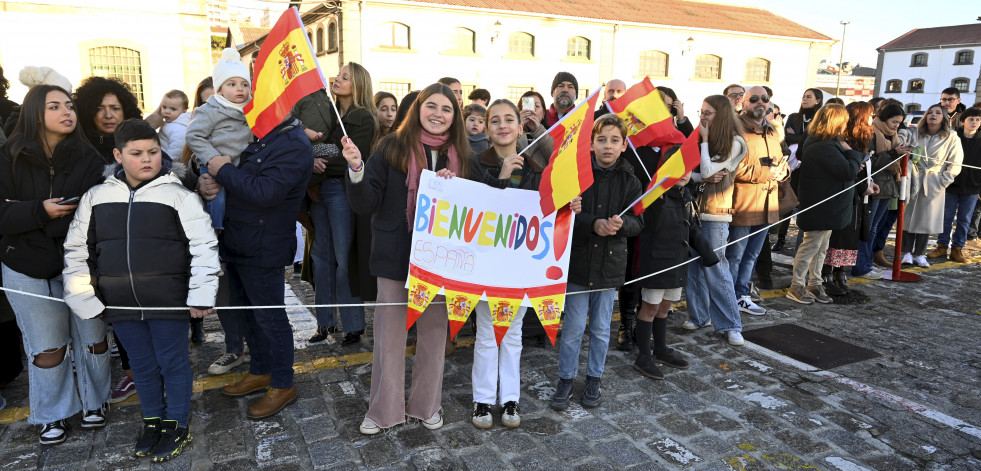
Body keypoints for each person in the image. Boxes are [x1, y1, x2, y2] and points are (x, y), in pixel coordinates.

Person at [63, 119, 219, 461]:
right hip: (121, 304)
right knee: (143, 366)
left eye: (153, 152)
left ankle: (177, 422)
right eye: (136, 153)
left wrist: (202, 294)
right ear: (118, 155)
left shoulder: (179, 195)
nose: (147, 159)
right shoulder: (96, 197)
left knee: (173, 362)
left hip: (168, 301)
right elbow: (78, 250)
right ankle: (152, 420)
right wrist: (84, 297)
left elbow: (204, 246)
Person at [342, 83, 474, 435]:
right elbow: (365, 202)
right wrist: (356, 168)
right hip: (395, 254)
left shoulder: (461, 155)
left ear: (454, 116)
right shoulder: (390, 147)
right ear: (418, 109)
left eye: (446, 109)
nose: (438, 114)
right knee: (389, 335)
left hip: (440, 261)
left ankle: (427, 404)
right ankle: (383, 410)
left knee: (433, 334)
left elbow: (480, 200)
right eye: (431, 106)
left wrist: (457, 184)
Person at [0, 84, 110, 444]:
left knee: (92, 337)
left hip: (78, 262)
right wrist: (39, 210)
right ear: (35, 113)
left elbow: (92, 214)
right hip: (24, 265)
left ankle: (96, 401)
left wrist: (24, 211)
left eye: (69, 105)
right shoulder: (8, 156)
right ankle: (54, 413)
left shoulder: (89, 158)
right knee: (48, 346)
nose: (67, 112)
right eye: (54, 106)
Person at [202, 109, 312, 419]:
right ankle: (261, 370)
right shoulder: (260, 133)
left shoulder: (292, 142)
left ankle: (282, 383)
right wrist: (209, 181)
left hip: (265, 245)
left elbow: (264, 192)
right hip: (239, 239)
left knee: (270, 318)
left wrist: (223, 171)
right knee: (246, 314)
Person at [549, 114, 643, 411]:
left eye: (615, 140)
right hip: (578, 264)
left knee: (602, 328)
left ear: (624, 145)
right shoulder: (577, 177)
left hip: (609, 267)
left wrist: (621, 225)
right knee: (574, 327)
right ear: (591, 144)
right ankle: (565, 378)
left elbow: (638, 222)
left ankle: (594, 377)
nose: (608, 146)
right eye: (601, 140)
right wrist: (588, 220)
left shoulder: (631, 181)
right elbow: (561, 217)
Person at [469, 99, 545, 429]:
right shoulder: (476, 165)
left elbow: (544, 212)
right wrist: (500, 177)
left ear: (519, 125)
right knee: (486, 334)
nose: (502, 125)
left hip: (520, 266)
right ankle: (482, 400)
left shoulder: (534, 168)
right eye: (495, 120)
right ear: (486, 128)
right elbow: (475, 208)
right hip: (486, 264)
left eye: (509, 119)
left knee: (513, 335)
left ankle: (511, 398)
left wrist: (567, 205)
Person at [303, 62, 377, 346]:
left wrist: (315, 158)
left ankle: (353, 325)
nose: (338, 78)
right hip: (319, 191)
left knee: (344, 258)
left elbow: (346, 158)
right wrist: (313, 165)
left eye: (345, 77)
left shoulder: (362, 118)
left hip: (342, 191)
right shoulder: (328, 112)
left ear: (357, 84)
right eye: (339, 74)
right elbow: (322, 150)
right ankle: (324, 323)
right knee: (321, 258)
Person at [633, 165, 718, 379]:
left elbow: (692, 229)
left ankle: (660, 349)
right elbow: (651, 224)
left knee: (665, 307)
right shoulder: (655, 194)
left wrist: (710, 255)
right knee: (650, 307)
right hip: (656, 262)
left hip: (677, 262)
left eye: (688, 169)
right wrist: (658, 196)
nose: (684, 174)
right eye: (679, 168)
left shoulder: (686, 196)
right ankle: (644, 356)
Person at [683, 95, 748, 346]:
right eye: (701, 112)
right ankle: (699, 317)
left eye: (708, 112)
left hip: (716, 213)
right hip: (695, 211)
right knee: (693, 266)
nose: (703, 117)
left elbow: (709, 171)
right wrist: (700, 175)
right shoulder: (704, 140)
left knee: (715, 267)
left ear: (721, 114)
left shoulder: (737, 141)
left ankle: (731, 324)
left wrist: (706, 141)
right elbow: (696, 176)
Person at [786, 104, 866, 304]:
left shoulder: (827, 143)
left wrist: (851, 160)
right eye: (844, 121)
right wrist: (853, 155)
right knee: (810, 246)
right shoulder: (824, 145)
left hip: (829, 205)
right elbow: (847, 171)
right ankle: (796, 285)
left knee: (822, 248)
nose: (846, 124)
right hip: (821, 204)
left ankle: (815, 282)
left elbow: (844, 169)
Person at [727, 86, 788, 315]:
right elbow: (730, 166)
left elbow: (781, 161)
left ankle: (741, 294)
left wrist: (783, 172)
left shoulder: (772, 130)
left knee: (752, 254)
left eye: (765, 99)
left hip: (768, 202)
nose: (760, 102)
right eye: (754, 99)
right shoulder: (735, 127)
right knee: (735, 254)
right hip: (743, 202)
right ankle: (728, 298)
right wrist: (765, 173)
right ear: (744, 103)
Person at [186, 48, 254, 232]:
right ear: (220, 90)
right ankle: (214, 231)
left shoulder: (252, 107)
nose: (240, 89)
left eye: (244, 84)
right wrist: (212, 158)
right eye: (231, 84)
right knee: (217, 195)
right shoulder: (210, 109)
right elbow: (193, 135)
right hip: (214, 164)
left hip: (240, 166)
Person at [820, 101, 881, 293]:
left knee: (851, 237)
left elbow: (865, 166)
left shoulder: (865, 137)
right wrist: (863, 187)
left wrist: (869, 183)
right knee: (838, 236)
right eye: (870, 115)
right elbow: (849, 170)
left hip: (859, 198)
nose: (873, 119)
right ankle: (827, 273)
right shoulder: (844, 138)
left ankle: (841, 271)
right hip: (845, 195)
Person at [853, 104, 914, 276]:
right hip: (874, 186)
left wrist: (903, 152)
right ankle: (861, 266)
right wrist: (895, 153)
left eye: (899, 123)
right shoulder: (872, 132)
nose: (896, 126)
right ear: (885, 118)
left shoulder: (893, 135)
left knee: (875, 228)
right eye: (894, 121)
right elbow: (871, 162)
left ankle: (867, 263)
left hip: (888, 186)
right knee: (868, 228)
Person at [902, 104, 963, 267]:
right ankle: (906, 252)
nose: (933, 115)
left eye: (938, 113)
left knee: (927, 217)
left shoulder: (951, 136)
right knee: (909, 215)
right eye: (930, 112)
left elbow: (956, 162)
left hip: (934, 180)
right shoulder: (914, 133)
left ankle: (920, 253)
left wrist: (944, 181)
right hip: (913, 176)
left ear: (944, 117)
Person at [774, 88, 824, 251]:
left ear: (818, 100)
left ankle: (801, 240)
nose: (805, 99)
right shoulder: (794, 117)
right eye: (803, 96)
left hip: (809, 166)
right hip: (793, 167)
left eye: (809, 97)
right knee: (788, 199)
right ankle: (780, 237)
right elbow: (787, 137)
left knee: (803, 202)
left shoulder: (820, 119)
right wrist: (802, 137)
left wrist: (799, 137)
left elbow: (813, 139)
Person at [930, 108, 981, 262]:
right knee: (946, 216)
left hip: (973, 186)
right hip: (951, 183)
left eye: (978, 119)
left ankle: (958, 248)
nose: (974, 122)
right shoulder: (953, 136)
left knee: (965, 219)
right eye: (971, 119)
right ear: (963, 121)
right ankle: (942, 246)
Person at [73, 76, 143, 163]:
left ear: (126, 111)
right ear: (88, 112)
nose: (108, 115)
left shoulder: (143, 144)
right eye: (99, 109)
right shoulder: (75, 147)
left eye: (115, 108)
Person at [517, 90, 553, 169]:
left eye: (536, 106)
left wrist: (538, 130)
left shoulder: (552, 133)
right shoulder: (512, 132)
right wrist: (517, 126)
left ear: (543, 113)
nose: (532, 110)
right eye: (527, 106)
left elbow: (555, 158)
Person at [154, 90, 191, 158]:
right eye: (164, 107)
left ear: (184, 111)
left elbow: (177, 148)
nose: (167, 111)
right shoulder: (171, 123)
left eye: (173, 109)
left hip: (168, 161)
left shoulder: (179, 127)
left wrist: (168, 161)